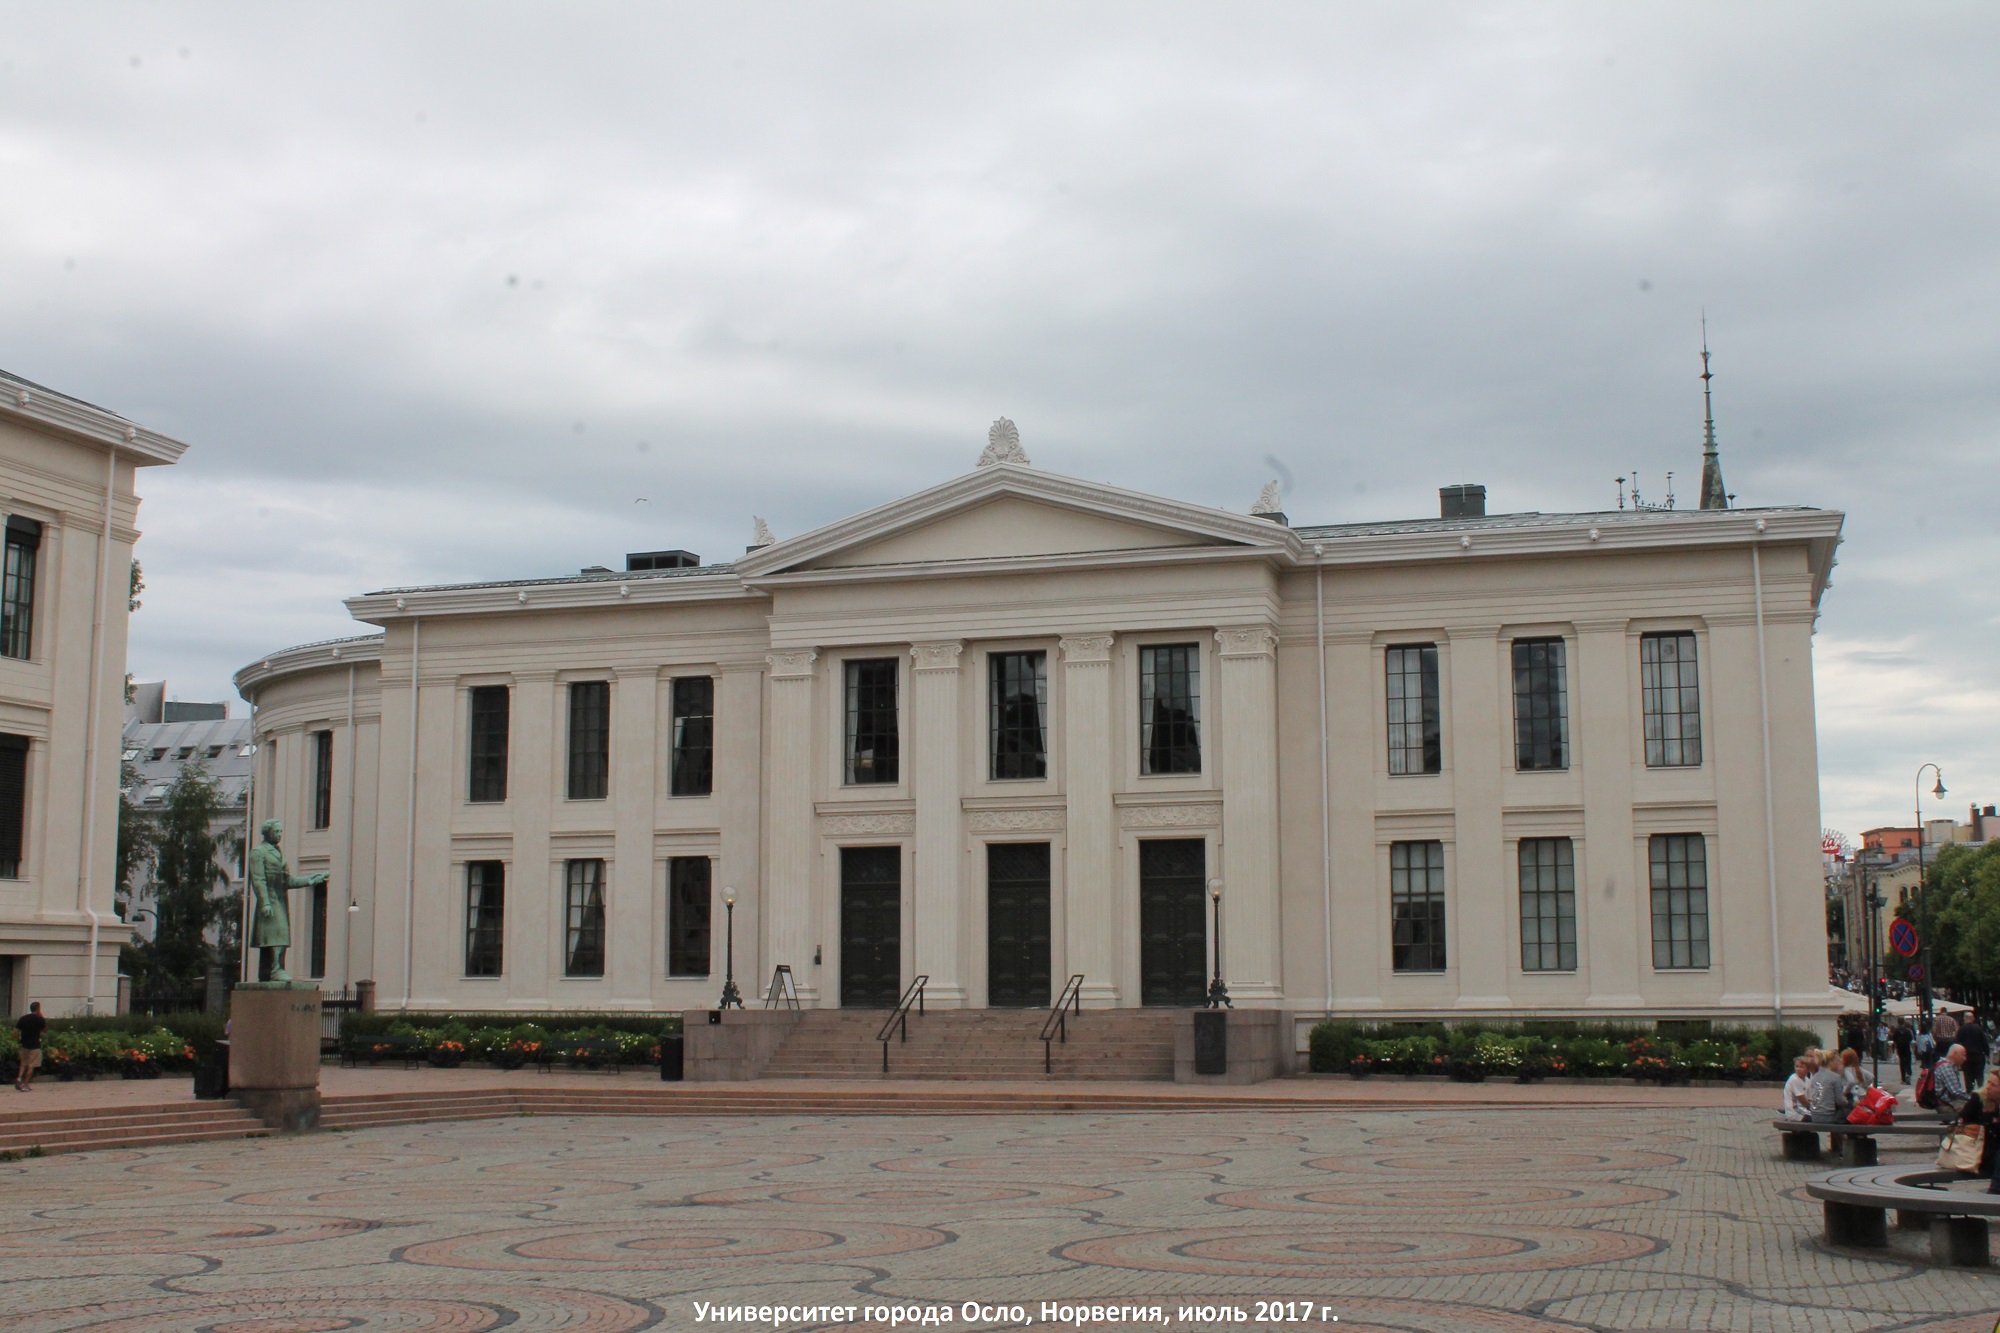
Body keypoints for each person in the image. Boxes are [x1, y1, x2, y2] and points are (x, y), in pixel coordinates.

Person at [1806, 1048, 1857, 1123]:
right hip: (1828, 1116)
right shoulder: (1835, 1077)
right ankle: (1855, 1134)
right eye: (1837, 1060)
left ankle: (1838, 1135)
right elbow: (1840, 1101)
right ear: (1830, 1062)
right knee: (1851, 1111)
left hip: (1815, 1115)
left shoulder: (1815, 1076)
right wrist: (1852, 1103)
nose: (1839, 1062)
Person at [1934, 1044, 1972, 1121]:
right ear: (1954, 1054)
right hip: (1947, 1105)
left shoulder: (1946, 1064)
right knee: (1975, 1110)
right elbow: (1956, 1092)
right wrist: (1973, 1099)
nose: (1965, 1058)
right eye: (1963, 1055)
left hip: (1948, 1103)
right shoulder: (1946, 1068)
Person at [14, 1000, 45, 1092]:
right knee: (31, 1066)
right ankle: (25, 1084)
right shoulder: (39, 1019)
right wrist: (42, 1016)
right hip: (35, 1045)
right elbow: (45, 1030)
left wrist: (17, 1040)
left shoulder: (23, 1018)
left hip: (24, 1044)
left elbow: (15, 1031)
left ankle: (19, 1077)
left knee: (23, 1064)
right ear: (38, 1009)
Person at [1957, 1012, 1989, 1085]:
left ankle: (1969, 1092)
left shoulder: (1962, 1029)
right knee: (1979, 1075)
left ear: (1965, 1018)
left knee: (1968, 1076)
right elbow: (1984, 1042)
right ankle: (1980, 1091)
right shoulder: (1978, 1028)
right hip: (1978, 1056)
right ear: (1973, 1018)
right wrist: (1987, 1054)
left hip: (1966, 1056)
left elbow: (1957, 1042)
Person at [1781, 1054, 1814, 1120]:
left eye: (1801, 1067)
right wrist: (1813, 1108)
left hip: (1803, 1108)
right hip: (1795, 1110)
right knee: (1814, 1117)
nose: (1798, 1069)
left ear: (1808, 1069)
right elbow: (1802, 1100)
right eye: (1796, 1066)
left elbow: (1809, 1098)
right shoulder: (1795, 1079)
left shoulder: (1807, 1080)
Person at [1891, 1020, 1914, 1084]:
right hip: (1907, 1047)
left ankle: (1903, 1078)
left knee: (1902, 1062)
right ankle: (1908, 1074)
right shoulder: (1908, 1030)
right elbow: (1911, 1038)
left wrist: (1897, 1043)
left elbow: (1894, 1038)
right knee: (1908, 1062)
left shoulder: (1896, 1030)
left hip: (1900, 1048)